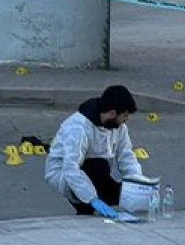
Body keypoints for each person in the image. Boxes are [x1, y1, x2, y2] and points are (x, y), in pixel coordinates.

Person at [45, 85, 154, 219]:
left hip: (97, 170)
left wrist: (137, 183)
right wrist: (92, 199)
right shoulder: (78, 127)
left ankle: (94, 203)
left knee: (118, 189)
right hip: (64, 172)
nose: (126, 120)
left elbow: (126, 156)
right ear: (113, 113)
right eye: (125, 116)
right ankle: (86, 207)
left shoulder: (119, 127)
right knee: (96, 170)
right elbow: (71, 168)